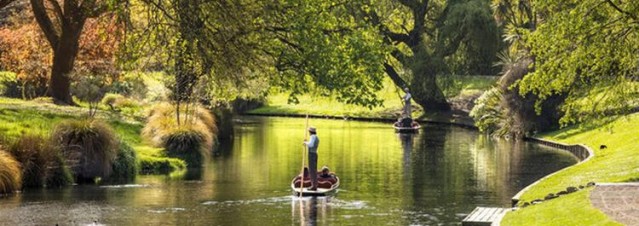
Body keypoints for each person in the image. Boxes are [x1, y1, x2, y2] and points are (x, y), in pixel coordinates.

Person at [303, 126, 319, 190]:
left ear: (310, 132)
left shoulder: (312, 137)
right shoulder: (316, 137)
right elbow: (311, 143)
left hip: (312, 154)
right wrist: (307, 142)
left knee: (312, 170)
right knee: (314, 170)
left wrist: (305, 143)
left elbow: (311, 145)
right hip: (314, 154)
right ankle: (314, 185)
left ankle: (313, 186)